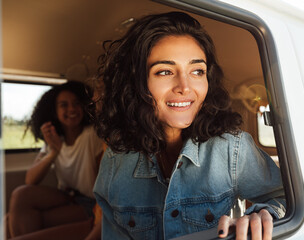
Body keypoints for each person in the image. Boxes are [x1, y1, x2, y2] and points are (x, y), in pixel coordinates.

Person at [93, 11, 285, 240]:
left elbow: (285, 199)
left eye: (197, 71)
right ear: (137, 83)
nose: (185, 86)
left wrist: (262, 214)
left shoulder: (232, 148)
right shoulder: (115, 160)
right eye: (165, 71)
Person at [7, 81, 104, 240]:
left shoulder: (91, 135)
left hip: (88, 202)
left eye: (76, 104)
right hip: (66, 196)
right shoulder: (55, 140)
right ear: (55, 112)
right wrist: (54, 152)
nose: (71, 109)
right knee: (20, 194)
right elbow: (30, 180)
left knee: (10, 220)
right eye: (64, 105)